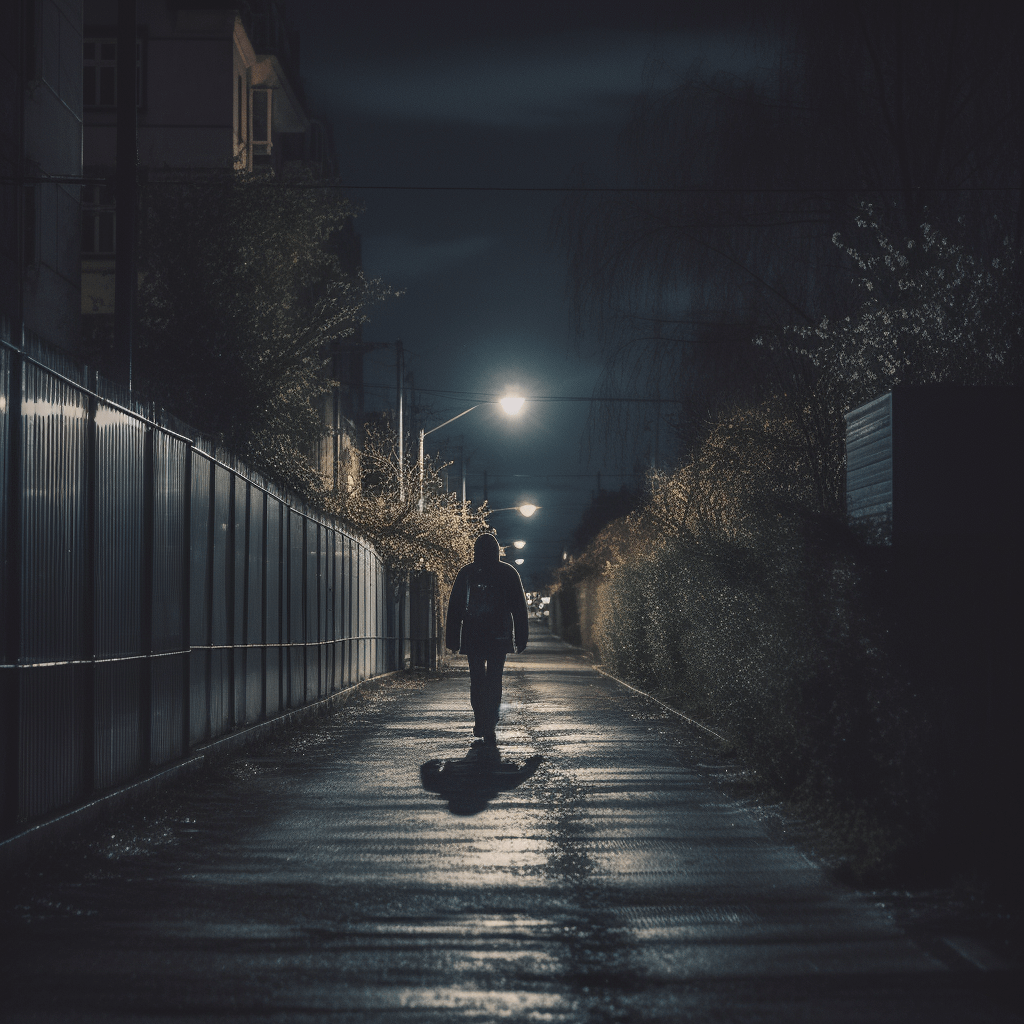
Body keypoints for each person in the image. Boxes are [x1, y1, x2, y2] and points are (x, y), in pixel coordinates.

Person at [445, 533, 528, 748]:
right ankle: (491, 719)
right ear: (497, 550)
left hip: (473, 633)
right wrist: (521, 636)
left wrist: (452, 638)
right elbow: (519, 607)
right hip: (499, 634)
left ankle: (480, 719)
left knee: (477, 678)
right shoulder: (508, 572)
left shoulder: (467, 573)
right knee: (494, 677)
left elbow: (455, 608)